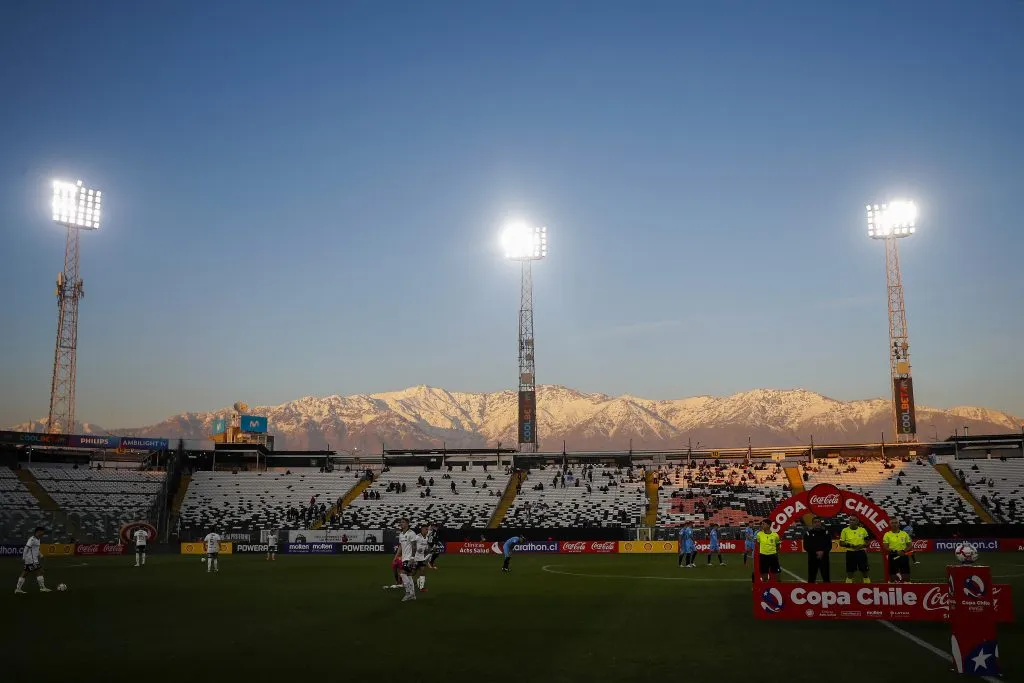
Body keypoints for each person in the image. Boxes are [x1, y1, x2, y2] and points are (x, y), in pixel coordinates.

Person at [15, 527, 51, 594]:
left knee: (25, 573)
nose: (43, 533)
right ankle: (42, 588)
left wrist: (41, 555)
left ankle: (18, 589)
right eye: (42, 531)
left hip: (32, 559)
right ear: (38, 531)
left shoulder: (38, 539)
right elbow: (26, 548)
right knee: (40, 571)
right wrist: (23, 557)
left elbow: (36, 549)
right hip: (31, 560)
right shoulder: (32, 539)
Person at [839, 517, 870, 583]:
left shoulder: (863, 530)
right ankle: (848, 588)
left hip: (861, 552)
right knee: (850, 572)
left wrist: (861, 546)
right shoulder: (844, 530)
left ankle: (868, 585)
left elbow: (867, 543)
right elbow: (841, 543)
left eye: (854, 520)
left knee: (864, 571)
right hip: (850, 553)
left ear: (857, 522)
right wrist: (851, 545)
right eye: (850, 520)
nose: (851, 521)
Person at [883, 518, 913, 583]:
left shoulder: (904, 534)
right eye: (892, 523)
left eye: (896, 522)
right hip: (893, 557)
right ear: (890, 525)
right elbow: (886, 547)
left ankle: (907, 590)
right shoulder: (887, 534)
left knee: (906, 577)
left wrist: (904, 551)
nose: (894, 524)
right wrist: (896, 552)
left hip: (903, 556)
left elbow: (910, 545)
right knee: (892, 578)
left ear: (899, 524)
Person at [803, 517, 831, 583]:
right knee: (811, 578)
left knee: (826, 578)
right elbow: (806, 546)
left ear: (820, 523)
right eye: (815, 522)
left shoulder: (826, 533)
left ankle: (828, 592)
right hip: (812, 558)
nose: (817, 523)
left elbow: (829, 545)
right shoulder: (808, 534)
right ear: (812, 524)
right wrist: (816, 552)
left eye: (818, 522)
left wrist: (822, 552)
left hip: (824, 558)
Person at [397, 518, 418, 601]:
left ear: (407, 524)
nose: (401, 524)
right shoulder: (401, 534)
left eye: (403, 522)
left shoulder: (411, 533)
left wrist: (412, 558)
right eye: (400, 522)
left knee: (402, 573)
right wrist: (396, 556)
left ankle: (408, 593)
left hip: (409, 558)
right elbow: (400, 547)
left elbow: (414, 546)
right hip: (404, 558)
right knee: (409, 576)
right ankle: (413, 595)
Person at [414, 524, 431, 592]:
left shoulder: (426, 538)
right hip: (415, 558)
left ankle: (422, 587)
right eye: (425, 529)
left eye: (427, 529)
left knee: (422, 571)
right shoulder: (417, 537)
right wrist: (417, 549)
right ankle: (404, 581)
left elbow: (425, 547)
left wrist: (427, 550)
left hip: (421, 558)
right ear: (422, 530)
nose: (427, 531)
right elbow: (413, 545)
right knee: (412, 573)